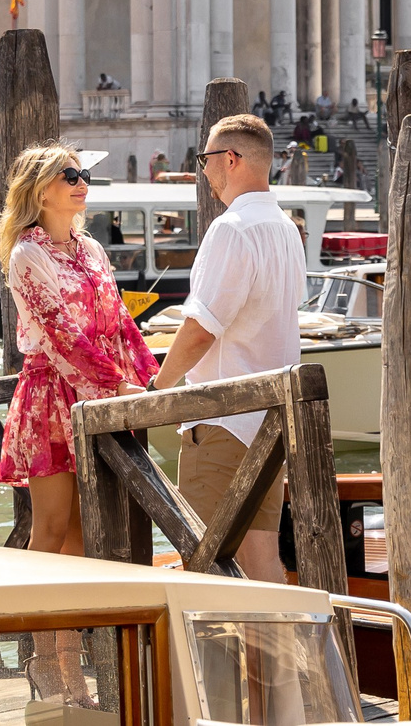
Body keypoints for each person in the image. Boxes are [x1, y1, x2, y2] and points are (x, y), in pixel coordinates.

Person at [0, 144, 155, 705]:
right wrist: (120, 386)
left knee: (87, 539)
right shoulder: (25, 256)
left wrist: (150, 379)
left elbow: (118, 324)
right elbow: (63, 336)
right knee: (51, 532)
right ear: (41, 190)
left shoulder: (90, 249)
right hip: (52, 399)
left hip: (101, 396)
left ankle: (72, 671)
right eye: (70, 176)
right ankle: (49, 665)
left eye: (84, 174)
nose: (82, 182)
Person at [149, 111, 304, 584]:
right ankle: (282, 662)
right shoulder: (286, 229)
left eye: (205, 159)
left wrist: (157, 388)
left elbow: (201, 328)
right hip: (268, 421)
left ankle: (223, 663)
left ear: (231, 158)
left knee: (207, 565)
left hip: (221, 421)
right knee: (261, 559)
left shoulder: (231, 229)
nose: (204, 170)